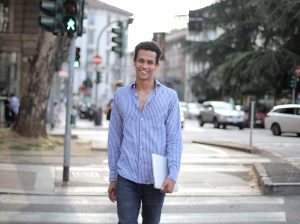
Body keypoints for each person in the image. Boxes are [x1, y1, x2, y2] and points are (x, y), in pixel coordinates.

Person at [107, 41, 183, 224]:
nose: (145, 66)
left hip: (156, 177)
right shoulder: (121, 96)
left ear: (157, 65)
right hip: (127, 176)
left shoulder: (170, 97)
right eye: (141, 61)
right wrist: (113, 177)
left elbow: (174, 140)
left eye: (150, 62)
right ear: (134, 62)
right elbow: (115, 138)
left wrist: (172, 175)